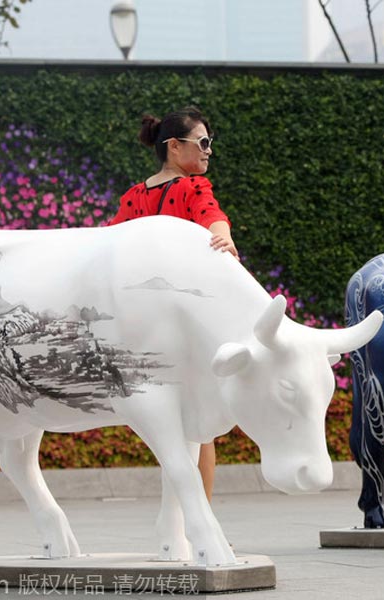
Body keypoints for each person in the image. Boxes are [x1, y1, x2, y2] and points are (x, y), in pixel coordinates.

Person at [109, 106, 237, 502]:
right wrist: (223, 237)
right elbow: (211, 215)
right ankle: (201, 517)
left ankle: (187, 518)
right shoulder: (193, 188)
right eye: (202, 142)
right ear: (174, 146)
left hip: (143, 327)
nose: (208, 151)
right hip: (186, 324)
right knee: (200, 426)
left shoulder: (133, 197)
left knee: (173, 425)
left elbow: (109, 243)